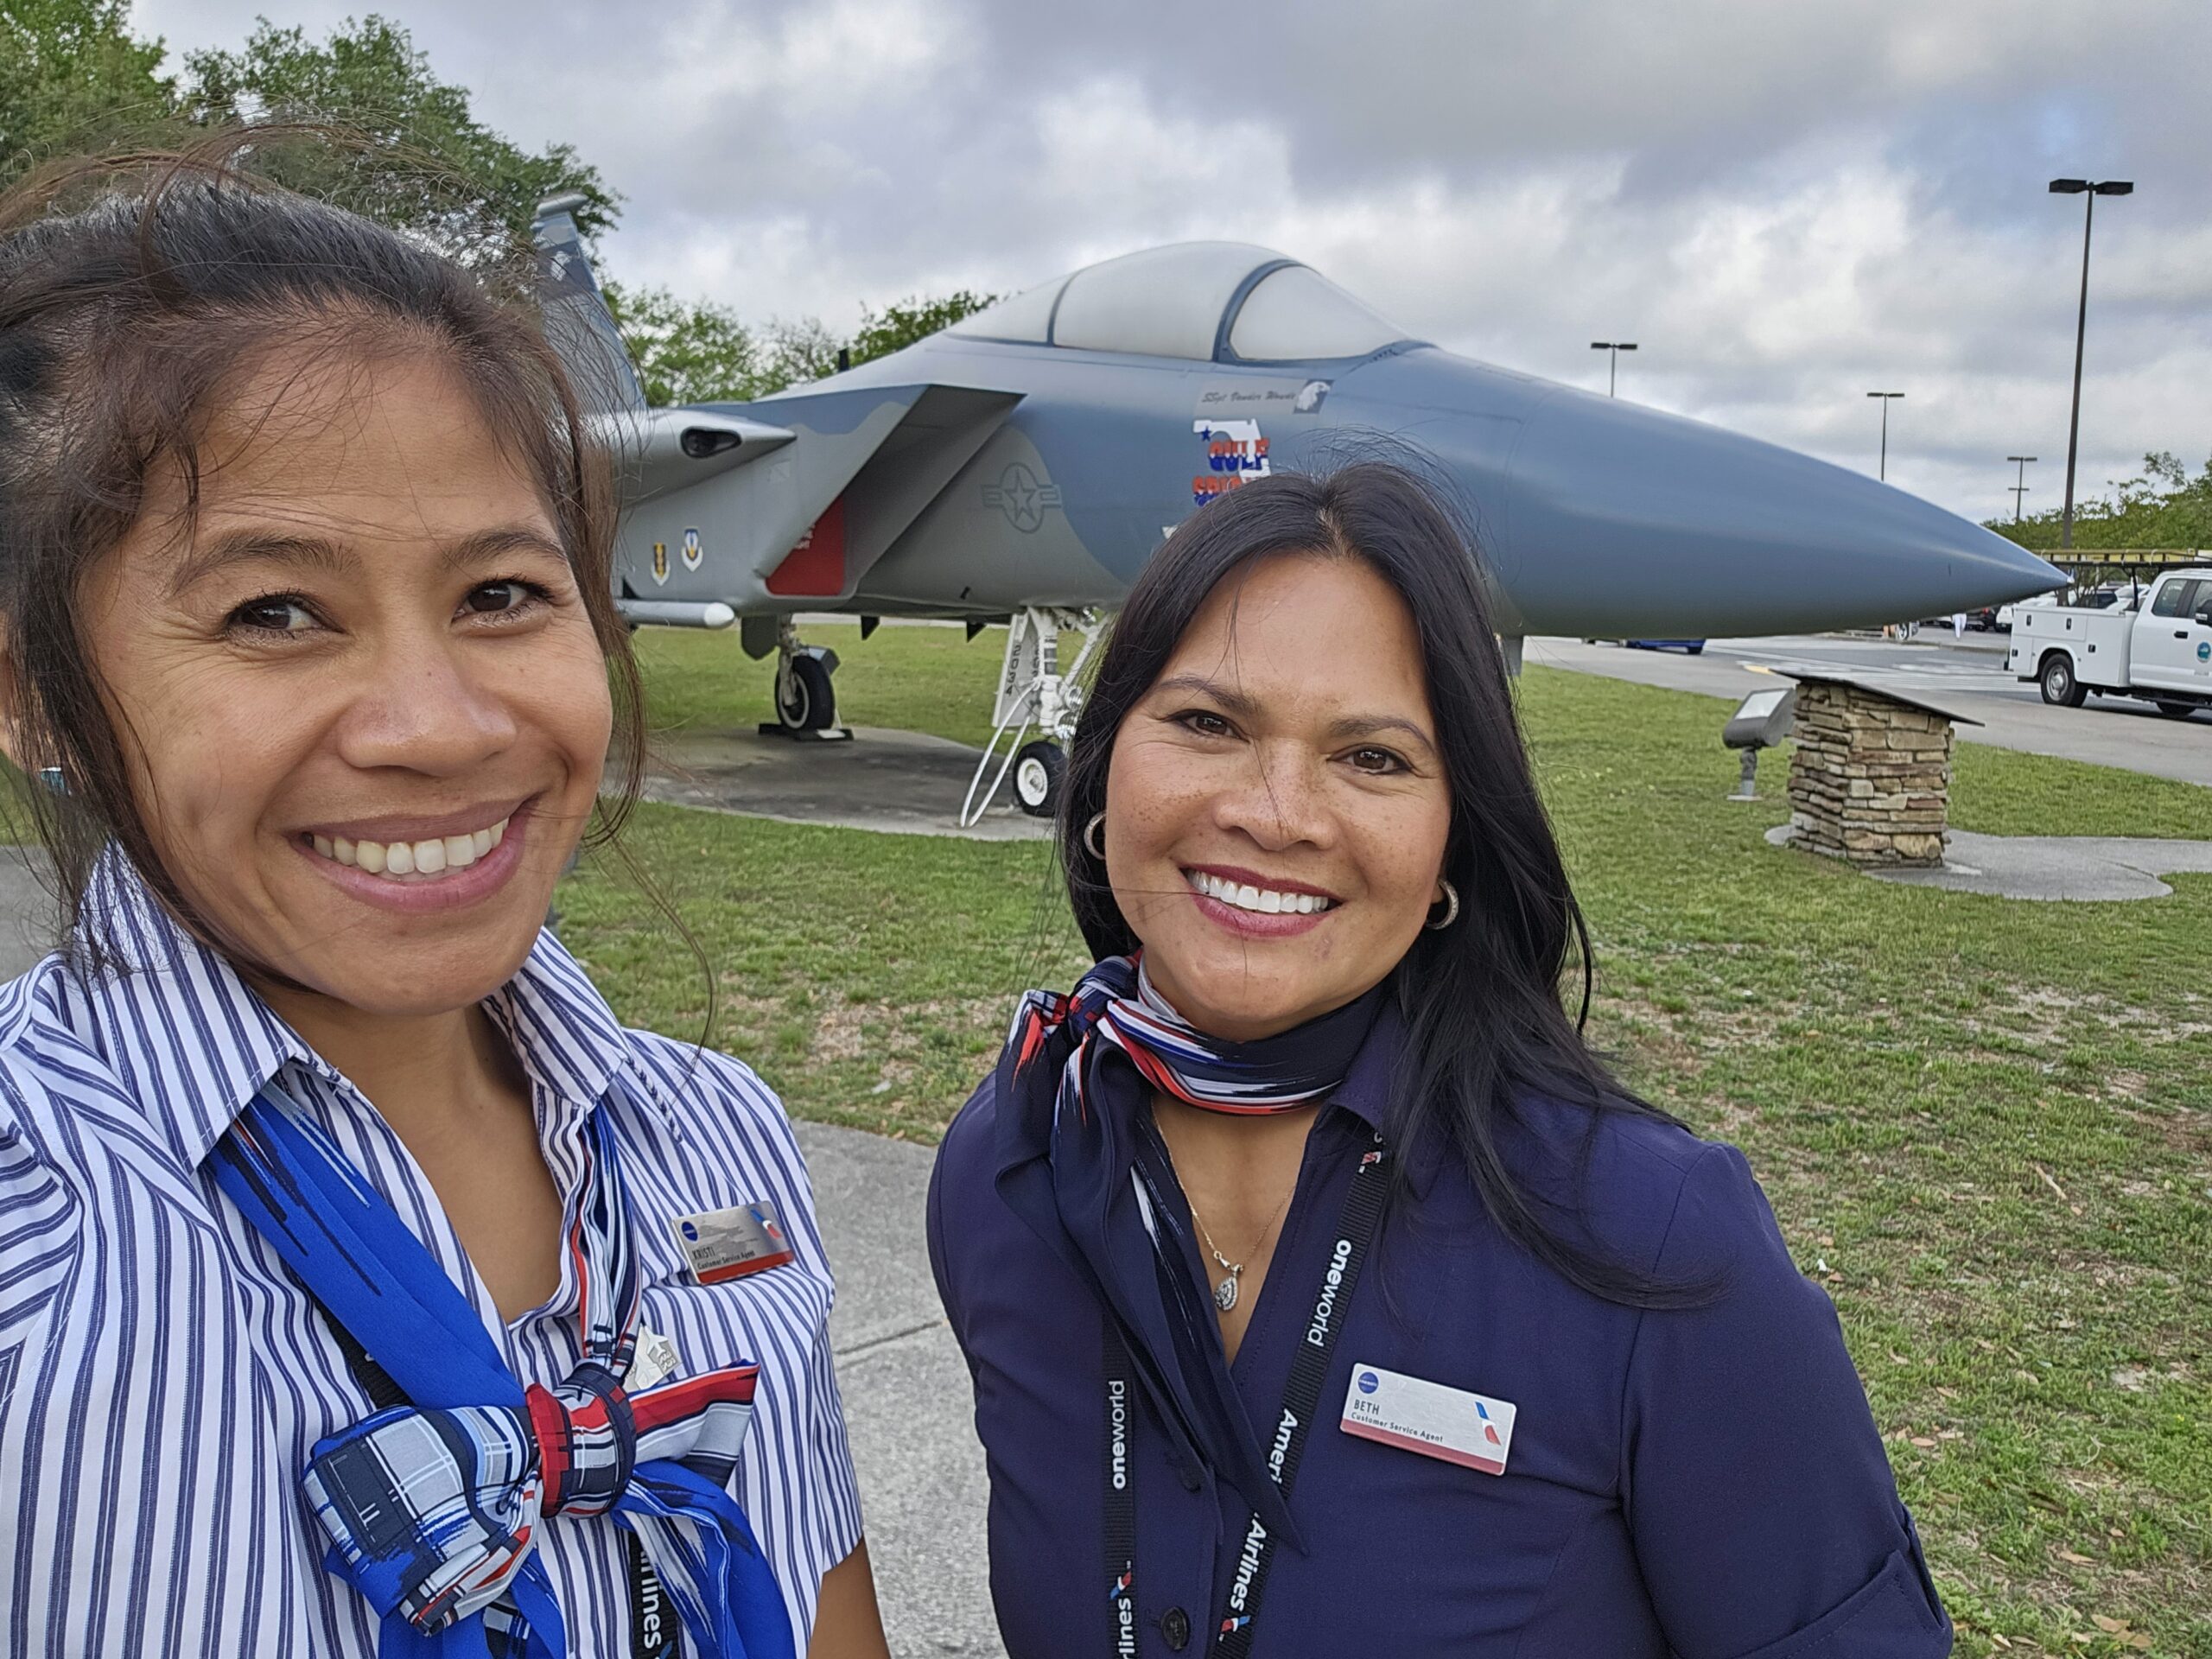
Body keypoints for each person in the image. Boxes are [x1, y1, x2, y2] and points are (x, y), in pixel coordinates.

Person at [0, 144, 889, 1659]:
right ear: (33, 693)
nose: (440, 728)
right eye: (275, 611)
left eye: (500, 595)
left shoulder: (720, 1137)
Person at [929, 463, 1951, 1656]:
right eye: (1208, 724)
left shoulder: (1655, 1242)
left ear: (1449, 848)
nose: (1276, 812)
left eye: (1372, 757)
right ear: (1104, 770)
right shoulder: (1008, 1170)